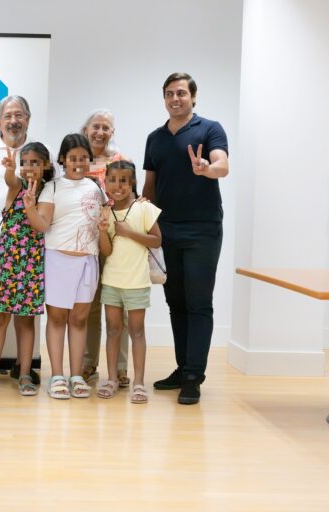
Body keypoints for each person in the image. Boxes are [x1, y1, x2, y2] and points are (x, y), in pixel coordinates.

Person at [142, 72, 229, 405]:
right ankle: (182, 368)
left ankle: (194, 376)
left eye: (180, 93)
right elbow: (149, 186)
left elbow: (223, 165)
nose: (174, 98)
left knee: (198, 302)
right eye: (169, 94)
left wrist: (206, 167)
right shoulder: (155, 138)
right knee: (175, 302)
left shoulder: (210, 129)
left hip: (203, 230)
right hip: (166, 230)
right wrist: (143, 219)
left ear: (193, 97)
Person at [25, 134, 104, 399]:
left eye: (83, 158)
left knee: (80, 319)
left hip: (87, 261)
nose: (79, 163)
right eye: (73, 158)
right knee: (58, 319)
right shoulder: (53, 188)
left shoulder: (96, 188)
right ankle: (57, 375)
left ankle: (76, 375)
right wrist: (29, 208)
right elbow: (42, 225)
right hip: (58, 259)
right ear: (63, 160)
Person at [0, 143, 52, 397]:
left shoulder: (47, 193)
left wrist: (29, 206)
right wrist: (8, 169)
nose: (29, 168)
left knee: (26, 321)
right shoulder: (16, 186)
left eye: (35, 163)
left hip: (31, 265)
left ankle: (26, 374)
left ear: (46, 165)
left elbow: (40, 226)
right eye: (25, 162)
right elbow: (9, 181)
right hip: (8, 263)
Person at [0, 95, 40, 386]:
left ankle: (21, 365)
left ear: (28, 119)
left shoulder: (38, 152)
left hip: (28, 242)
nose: (14, 121)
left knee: (24, 307)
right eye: (8, 116)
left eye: (20, 115)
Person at [97, 158, 162, 404]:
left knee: (137, 331)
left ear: (132, 182)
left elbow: (157, 241)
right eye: (112, 180)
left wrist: (130, 233)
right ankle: (112, 378)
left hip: (137, 283)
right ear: (106, 183)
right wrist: (103, 231)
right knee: (113, 330)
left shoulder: (144, 208)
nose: (117, 186)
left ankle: (139, 383)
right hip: (112, 282)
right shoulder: (106, 211)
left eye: (123, 181)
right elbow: (106, 251)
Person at [79, 109, 131, 388]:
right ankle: (88, 363)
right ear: (86, 129)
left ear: (112, 132)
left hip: (116, 238)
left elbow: (130, 196)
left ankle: (121, 367)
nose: (100, 132)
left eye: (106, 128)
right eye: (96, 126)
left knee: (117, 304)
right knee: (89, 305)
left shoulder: (120, 161)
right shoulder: (77, 160)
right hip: (84, 240)